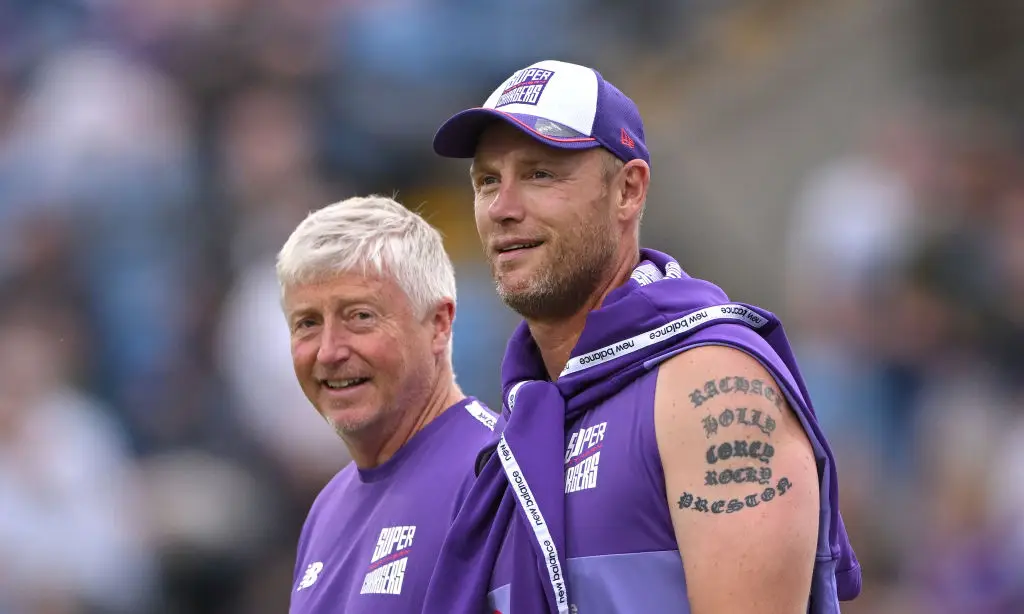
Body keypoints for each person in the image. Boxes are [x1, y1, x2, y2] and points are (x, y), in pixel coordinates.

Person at [421, 60, 862, 613]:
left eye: (540, 174)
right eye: (488, 181)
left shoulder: (711, 383)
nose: (504, 209)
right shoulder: (517, 427)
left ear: (628, 191)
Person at [278, 195, 499, 613]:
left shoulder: (494, 476)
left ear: (439, 324)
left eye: (359, 316)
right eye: (307, 323)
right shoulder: (326, 508)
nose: (328, 352)